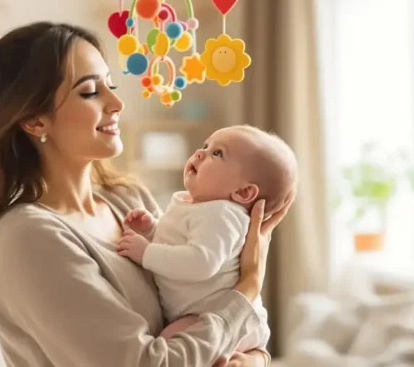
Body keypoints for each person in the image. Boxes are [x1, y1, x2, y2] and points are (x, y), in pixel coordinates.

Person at [0, 21, 294, 366]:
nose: (116, 103)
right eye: (89, 92)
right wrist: (247, 289)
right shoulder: (29, 237)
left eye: (110, 85)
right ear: (36, 121)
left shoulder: (129, 200)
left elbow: (219, 320)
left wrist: (252, 360)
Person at [117, 125, 299, 357]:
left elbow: (201, 262)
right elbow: (177, 244)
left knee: (167, 347)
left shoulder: (222, 215)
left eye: (218, 153)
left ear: (243, 193)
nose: (200, 153)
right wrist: (152, 229)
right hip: (212, 314)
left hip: (217, 315)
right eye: (205, 146)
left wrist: (146, 252)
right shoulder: (198, 206)